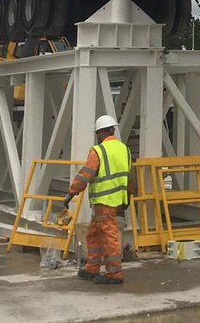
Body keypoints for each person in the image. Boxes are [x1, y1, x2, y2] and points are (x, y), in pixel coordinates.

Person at [65, 114, 131, 284]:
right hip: (117, 200)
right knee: (94, 233)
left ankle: (114, 274)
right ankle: (92, 268)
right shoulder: (124, 149)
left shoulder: (98, 151)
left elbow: (85, 175)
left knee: (109, 236)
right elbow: (130, 175)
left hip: (104, 200)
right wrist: (128, 196)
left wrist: (71, 193)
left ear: (101, 133)